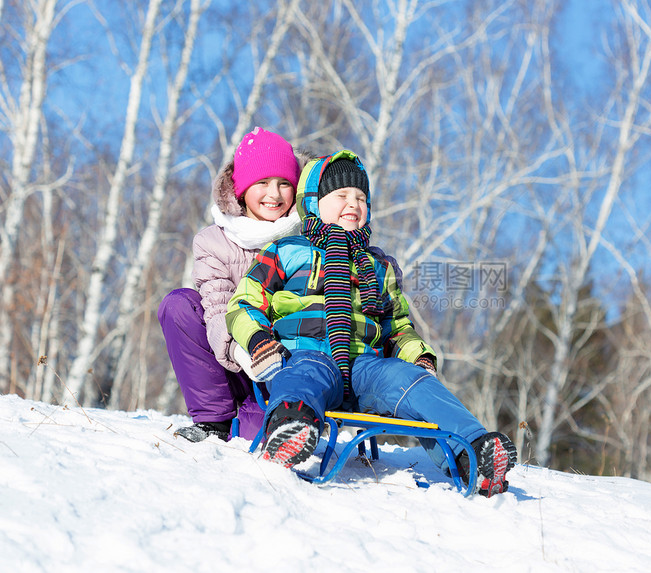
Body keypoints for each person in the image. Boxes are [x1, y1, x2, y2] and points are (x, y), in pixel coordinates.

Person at [225, 150, 517, 497]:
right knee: (301, 376)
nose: (354, 203)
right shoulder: (286, 250)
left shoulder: (378, 266)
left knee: (409, 381)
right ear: (314, 202)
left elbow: (398, 326)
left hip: (365, 365)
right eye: (342, 195)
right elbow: (243, 303)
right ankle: (291, 426)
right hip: (307, 354)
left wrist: (417, 357)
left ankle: (475, 452)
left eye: (361, 197)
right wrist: (258, 340)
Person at [158, 127, 312, 442]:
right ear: (240, 189)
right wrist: (242, 349)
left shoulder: (308, 240)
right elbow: (216, 307)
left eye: (284, 183)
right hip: (237, 356)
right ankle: (214, 419)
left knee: (256, 434)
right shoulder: (214, 241)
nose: (274, 194)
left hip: (288, 366)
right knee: (180, 305)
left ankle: (278, 414)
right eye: (262, 183)